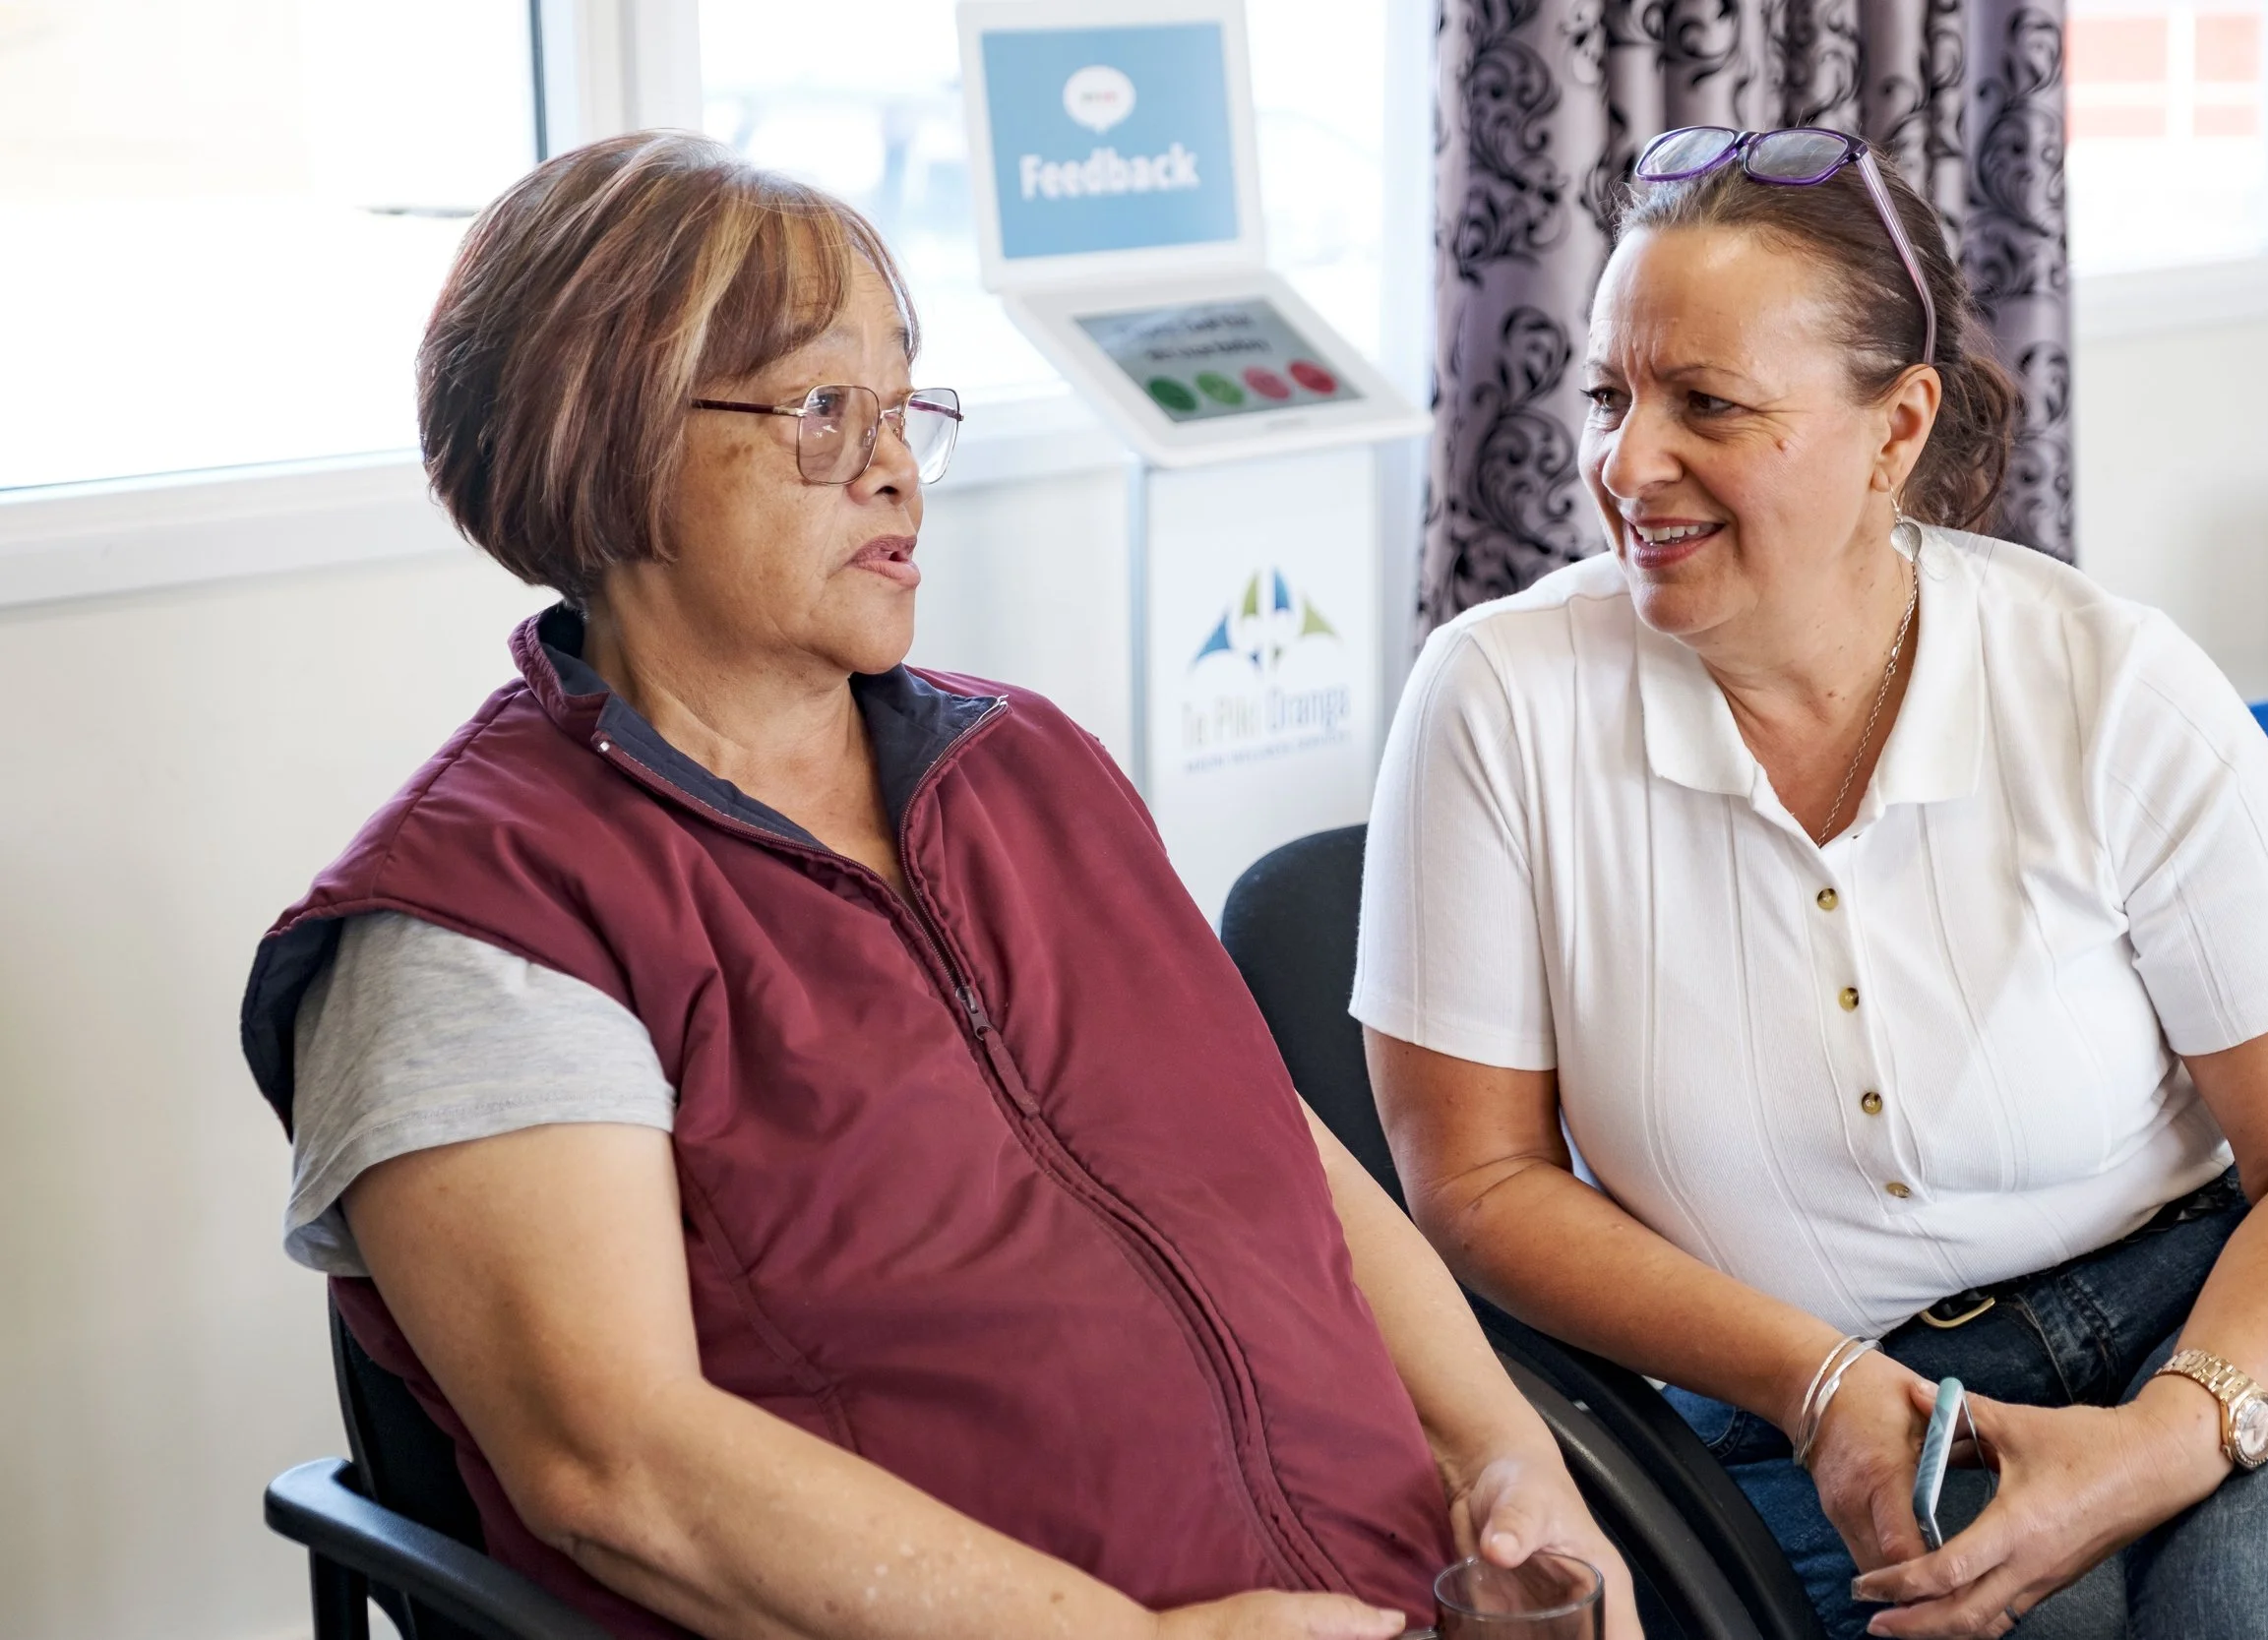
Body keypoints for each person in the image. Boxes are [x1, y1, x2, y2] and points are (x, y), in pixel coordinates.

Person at [239, 132, 1635, 1640]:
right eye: (824, 409)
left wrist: (1505, 1451)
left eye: (905, 402)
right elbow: (618, 1469)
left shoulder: (1026, 764)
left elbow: (1272, 1150)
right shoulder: (479, 919)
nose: (897, 462)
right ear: (606, 429)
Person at [1353, 125, 2268, 1640]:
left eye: (1708, 405)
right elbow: (1473, 1182)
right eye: (1609, 396)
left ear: (1896, 429)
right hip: (1821, 1388)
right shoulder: (1497, 699)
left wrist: (2163, 1440)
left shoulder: (2110, 681)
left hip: (2216, 1312)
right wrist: (1817, 1385)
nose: (1625, 464)